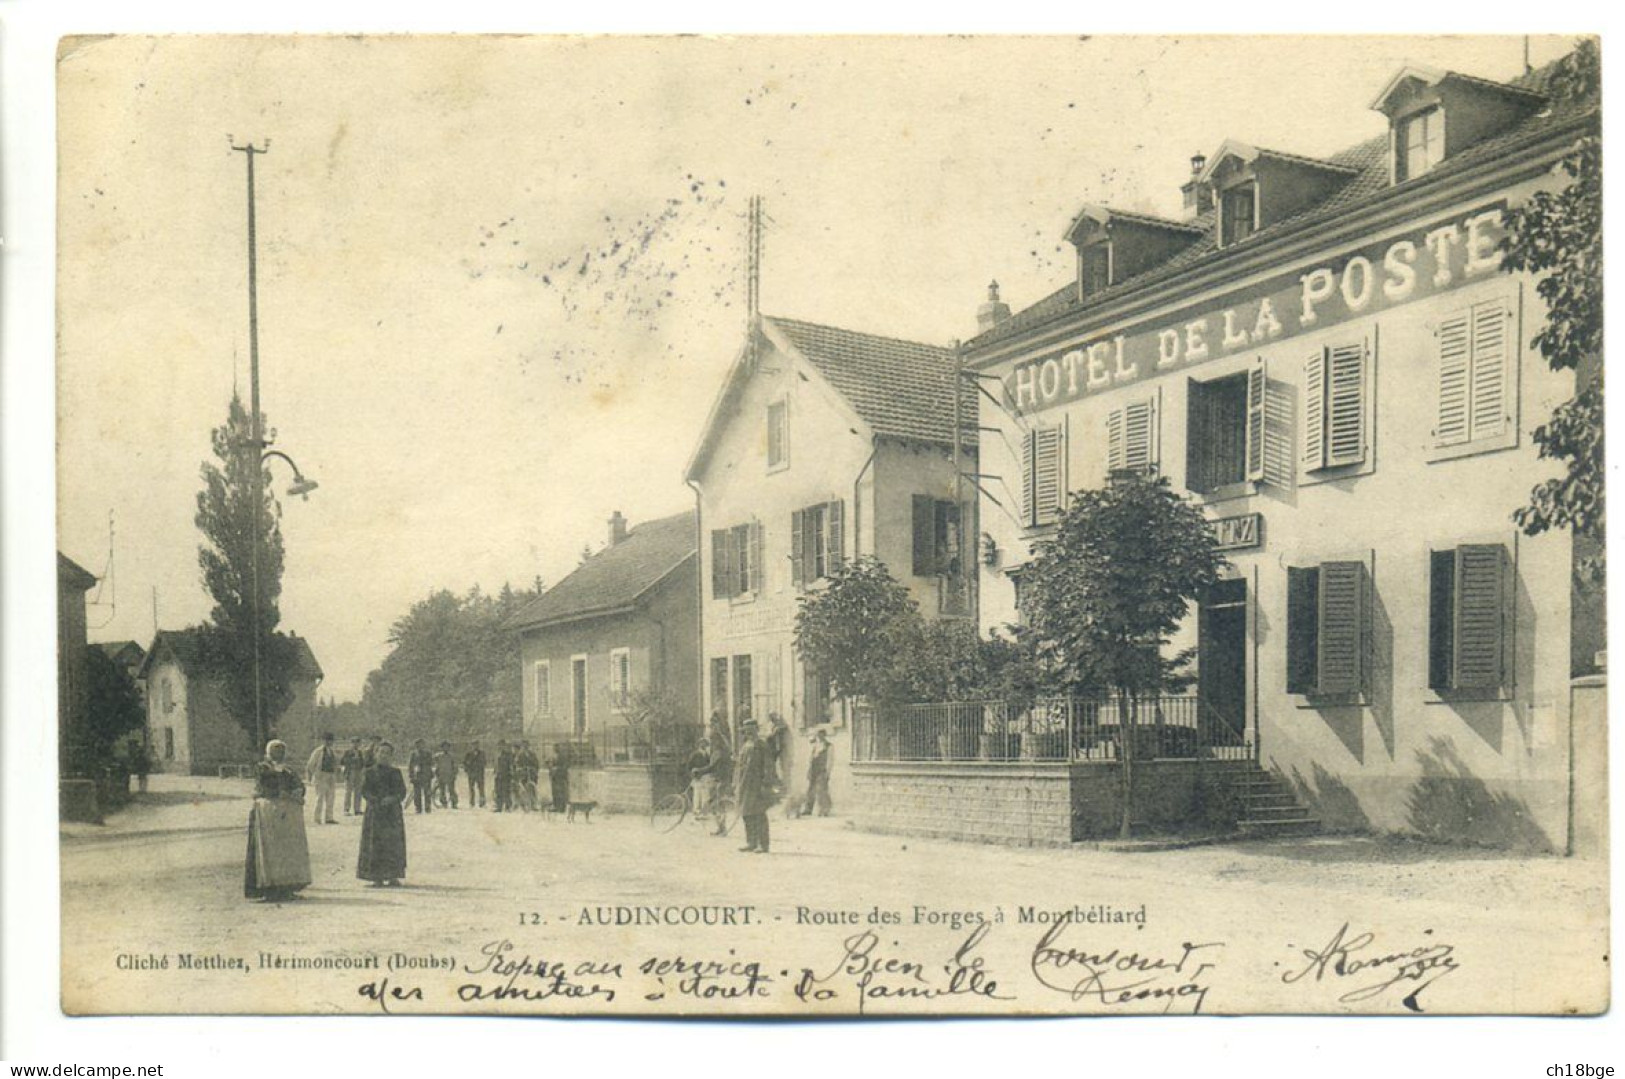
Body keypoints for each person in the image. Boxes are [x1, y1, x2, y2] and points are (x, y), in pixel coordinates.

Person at [244, 740, 312, 901]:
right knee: (270, 851)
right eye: (275, 750)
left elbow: (299, 785)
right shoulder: (262, 768)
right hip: (268, 813)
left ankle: (287, 887)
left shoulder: (288, 770)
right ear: (268, 752)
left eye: (282, 750)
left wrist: (298, 792)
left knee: (288, 850)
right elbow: (262, 787)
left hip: (288, 814)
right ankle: (270, 888)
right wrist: (279, 792)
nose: (279, 753)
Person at [357, 741, 407, 887]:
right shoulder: (369, 772)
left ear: (391, 756)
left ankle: (392, 875)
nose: (384, 755)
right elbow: (365, 791)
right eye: (381, 752)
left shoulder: (396, 773)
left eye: (387, 753)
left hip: (392, 814)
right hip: (375, 813)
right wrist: (377, 800)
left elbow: (402, 792)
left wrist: (392, 799)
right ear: (376, 754)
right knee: (375, 843)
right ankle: (376, 876)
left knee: (393, 843)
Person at [734, 719, 778, 854]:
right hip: (744, 784)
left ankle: (763, 844)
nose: (748, 733)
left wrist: (766, 783)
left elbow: (769, 766)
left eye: (751, 730)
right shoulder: (745, 745)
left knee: (759, 814)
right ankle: (751, 842)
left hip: (756, 785)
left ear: (756, 730)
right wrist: (735, 782)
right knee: (746, 814)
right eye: (746, 730)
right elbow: (738, 767)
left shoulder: (761, 745)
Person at [305, 732, 340, 824]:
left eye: (330, 740)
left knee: (331, 797)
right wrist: (314, 776)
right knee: (320, 797)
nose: (329, 742)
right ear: (323, 741)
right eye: (327, 740)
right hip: (321, 776)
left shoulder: (332, 752)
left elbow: (336, 764)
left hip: (331, 776)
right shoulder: (318, 751)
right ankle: (317, 818)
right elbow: (310, 764)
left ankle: (329, 818)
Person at [801, 730, 833, 817]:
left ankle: (824, 810)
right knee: (811, 789)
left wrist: (828, 772)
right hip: (814, 770)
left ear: (824, 735)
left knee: (822, 790)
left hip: (822, 770)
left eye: (821, 735)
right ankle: (808, 809)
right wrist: (809, 770)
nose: (820, 737)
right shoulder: (815, 746)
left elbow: (830, 760)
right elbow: (811, 759)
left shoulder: (829, 746)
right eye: (818, 735)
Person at [408, 739, 435, 814]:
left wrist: (431, 773)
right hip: (417, 776)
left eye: (421, 744)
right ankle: (418, 808)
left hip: (426, 775)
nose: (420, 746)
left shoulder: (428, 753)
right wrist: (411, 775)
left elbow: (431, 764)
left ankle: (427, 807)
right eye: (418, 745)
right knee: (417, 793)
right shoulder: (413, 754)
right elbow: (410, 765)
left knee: (427, 792)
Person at [340, 737, 366, 816]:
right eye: (354, 743)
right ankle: (346, 809)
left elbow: (362, 762)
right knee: (348, 791)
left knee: (358, 791)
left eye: (357, 743)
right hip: (350, 771)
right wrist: (352, 759)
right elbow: (343, 761)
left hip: (358, 772)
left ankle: (357, 809)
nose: (356, 744)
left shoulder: (360, 752)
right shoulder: (347, 752)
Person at [434, 741, 459, 809]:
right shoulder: (438, 756)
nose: (445, 748)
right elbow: (436, 765)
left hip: (450, 775)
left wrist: (454, 774)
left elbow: (455, 766)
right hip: (441, 775)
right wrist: (436, 774)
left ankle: (454, 803)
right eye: (444, 747)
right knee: (442, 790)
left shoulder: (451, 756)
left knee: (451, 790)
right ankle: (444, 803)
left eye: (447, 747)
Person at [516, 742, 540, 812]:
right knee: (524, 789)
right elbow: (518, 764)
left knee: (532, 789)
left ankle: (534, 804)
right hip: (524, 774)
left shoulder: (532, 754)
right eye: (524, 746)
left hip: (532, 774)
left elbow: (536, 764)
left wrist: (534, 770)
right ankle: (526, 804)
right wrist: (521, 769)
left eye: (526, 746)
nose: (525, 748)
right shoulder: (521, 755)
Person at [493, 740, 515, 812]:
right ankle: (499, 806)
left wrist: (511, 772)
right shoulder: (497, 754)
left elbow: (511, 764)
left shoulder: (508, 754)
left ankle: (508, 806)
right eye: (499, 745)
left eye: (502, 745)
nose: (500, 747)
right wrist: (495, 771)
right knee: (498, 791)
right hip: (498, 775)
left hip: (506, 775)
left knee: (506, 791)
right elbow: (496, 764)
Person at [464, 742, 487, 808]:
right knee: (471, 788)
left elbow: (484, 762)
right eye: (474, 745)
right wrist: (467, 771)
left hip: (479, 773)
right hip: (471, 774)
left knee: (481, 788)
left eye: (476, 745)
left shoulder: (482, 753)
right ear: (472, 746)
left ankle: (482, 802)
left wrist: (481, 766)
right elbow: (465, 763)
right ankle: (472, 802)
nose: (475, 746)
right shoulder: (468, 754)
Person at [547, 745, 570, 812]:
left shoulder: (563, 756)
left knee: (561, 792)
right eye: (555, 747)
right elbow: (550, 765)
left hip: (561, 777)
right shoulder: (552, 756)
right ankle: (555, 806)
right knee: (555, 792)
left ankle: (562, 807)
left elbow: (566, 766)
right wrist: (551, 768)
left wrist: (558, 769)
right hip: (554, 777)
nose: (556, 749)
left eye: (557, 747)